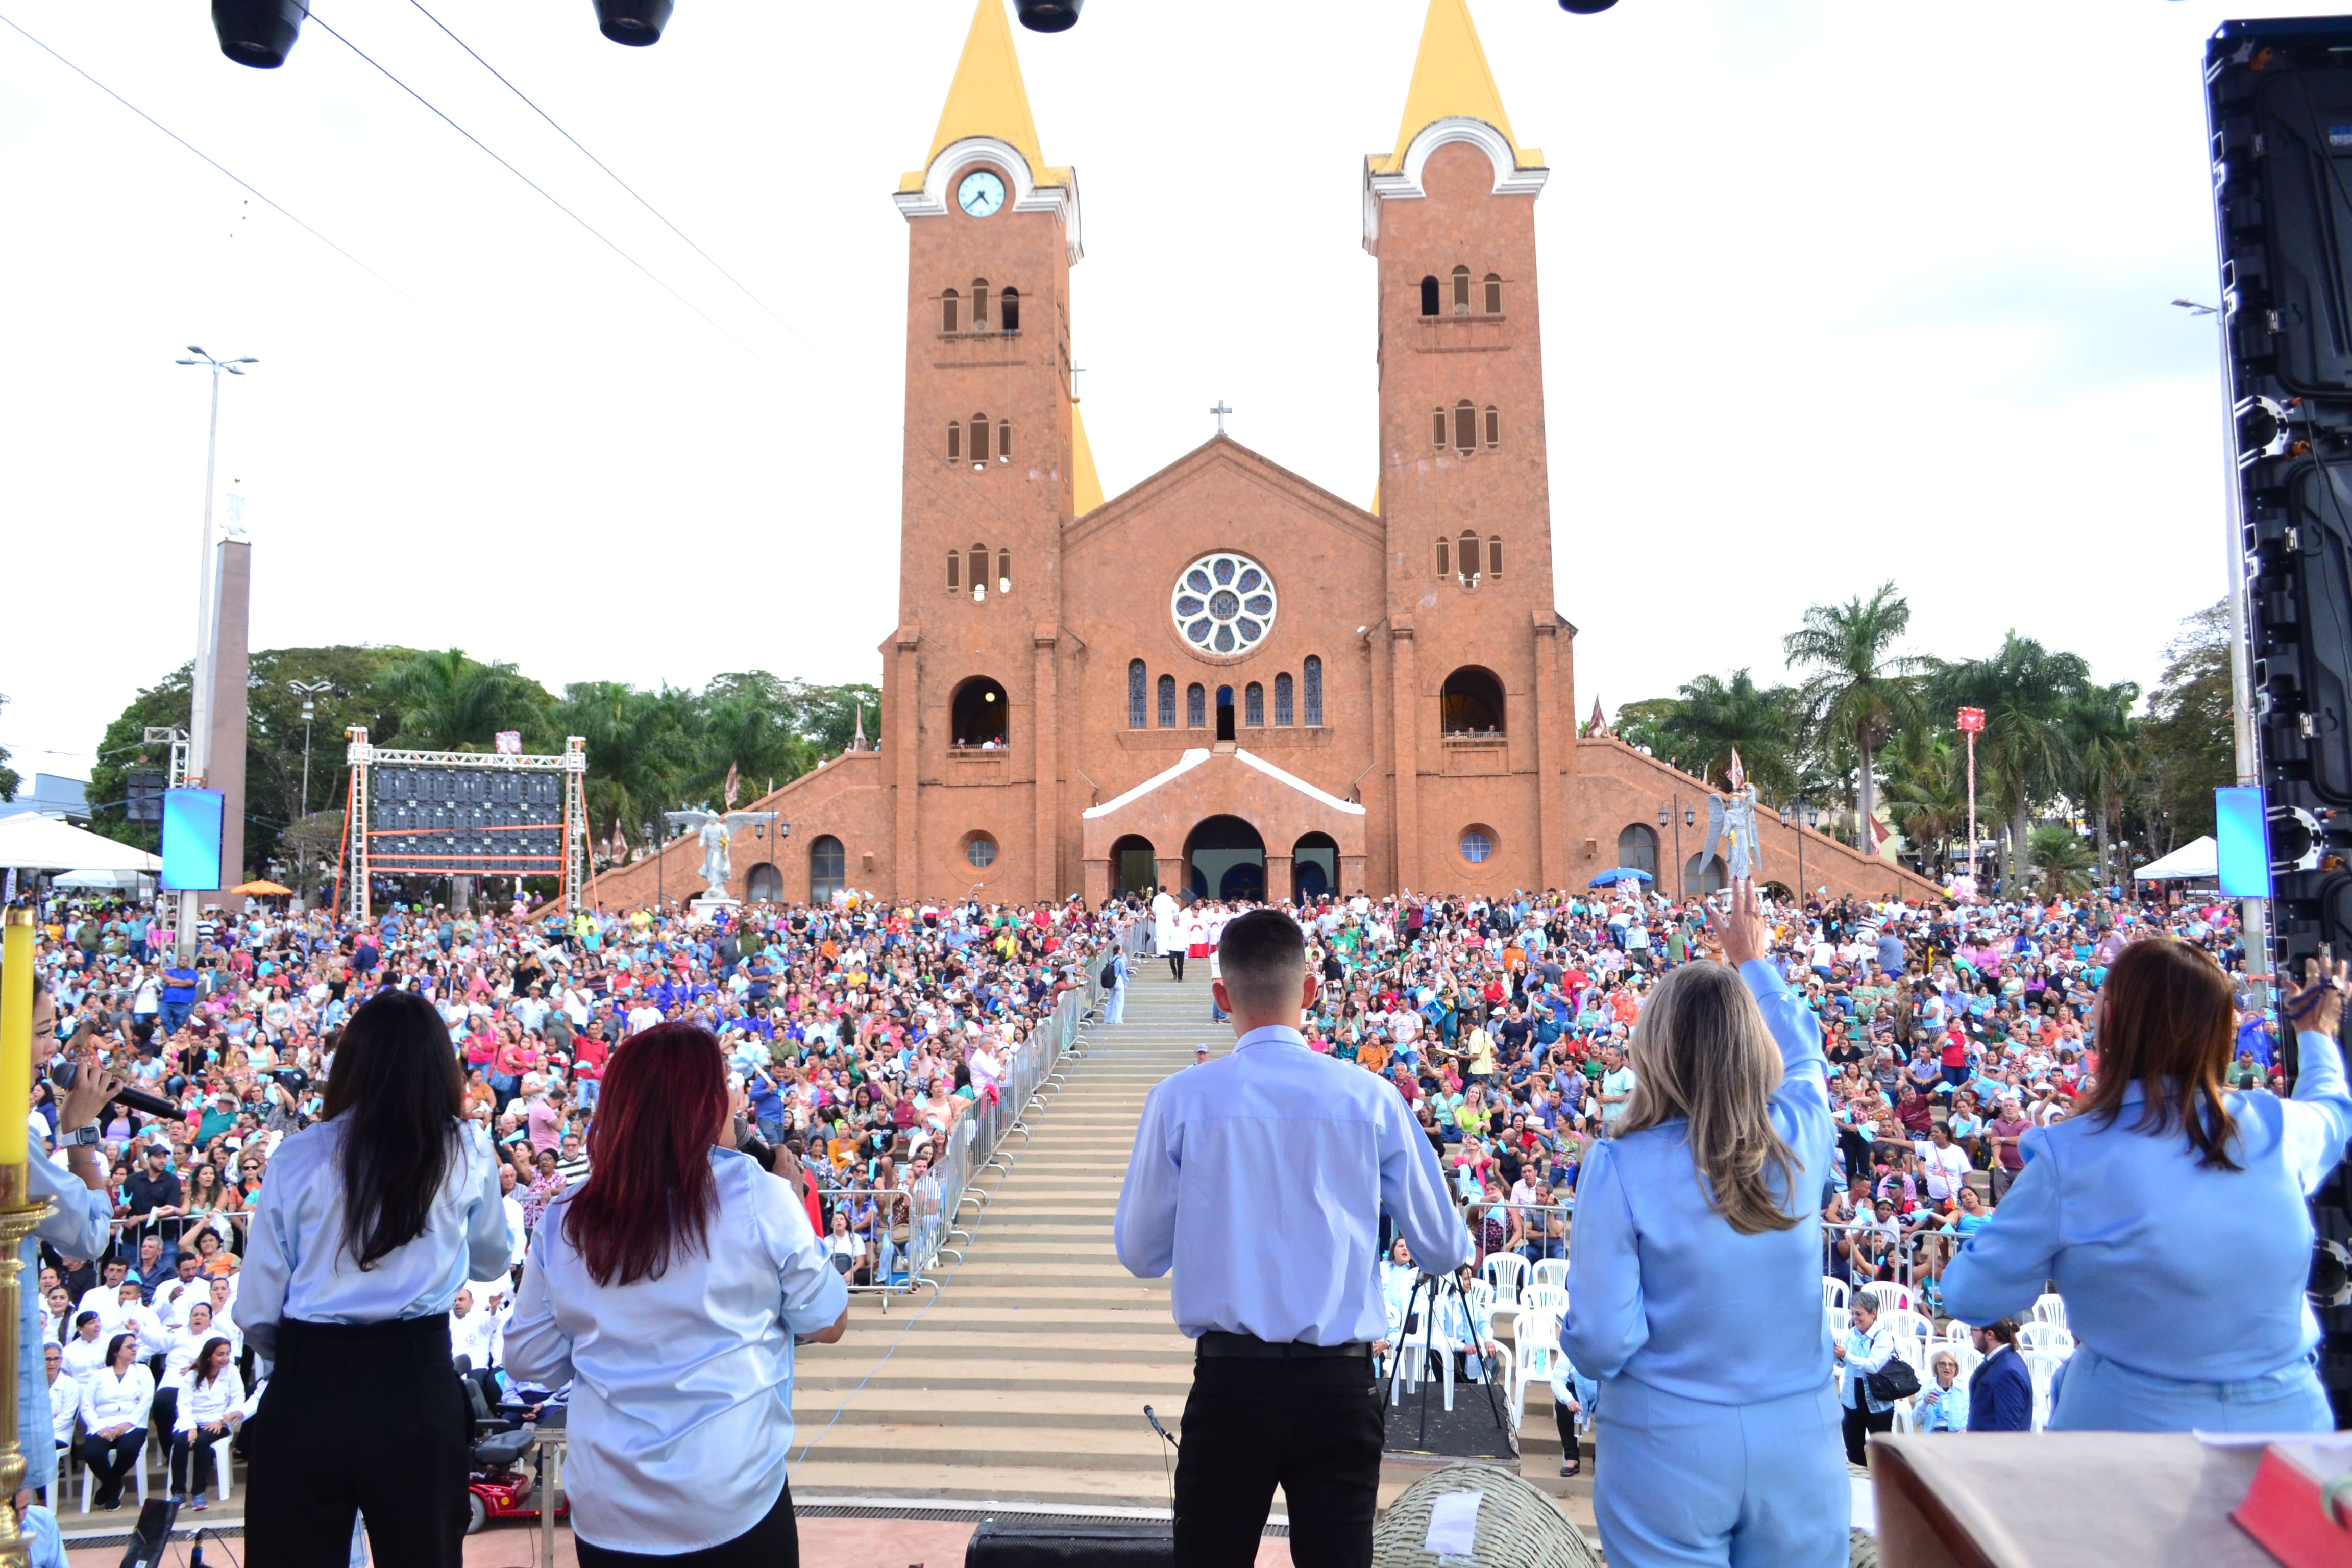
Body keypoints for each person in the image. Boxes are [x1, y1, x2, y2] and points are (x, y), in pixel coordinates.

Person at [1114, 909, 1471, 1568]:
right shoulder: (1370, 1098)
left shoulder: (1180, 1100)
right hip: (1338, 1385)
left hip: (1230, 1382)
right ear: (1309, 990)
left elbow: (1141, 1253)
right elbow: (1444, 1249)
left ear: (1221, 996)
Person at [1943, 944, 2352, 1432]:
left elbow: (1970, 1296)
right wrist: (2317, 1035)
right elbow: (2333, 1111)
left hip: (2130, 1438)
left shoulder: (2066, 1157)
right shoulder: (2276, 1126)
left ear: (2112, 1022)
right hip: (2289, 1429)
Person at [1562, 878, 1844, 1568]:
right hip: (1800, 1441)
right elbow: (1806, 1052)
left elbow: (1601, 1340)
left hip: (1665, 1443)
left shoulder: (1618, 1166)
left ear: (1654, 1049)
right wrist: (1753, 962)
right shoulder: (1805, 1131)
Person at [506, 1021, 848, 1564]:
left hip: (608, 1507)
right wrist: (794, 1201)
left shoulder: (564, 1216)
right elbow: (827, 1321)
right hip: (732, 1499)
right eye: (725, 1085)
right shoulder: (758, 1194)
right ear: (703, 1104)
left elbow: (531, 1360)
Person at [234, 989, 512, 1567]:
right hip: (415, 1380)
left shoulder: (298, 1155)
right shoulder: (467, 1149)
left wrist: (308, 1362)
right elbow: (491, 1261)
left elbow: (258, 1311)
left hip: (310, 1382)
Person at [1, 978, 124, 1504]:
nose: (52, 1048)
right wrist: (78, 1133)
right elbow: (90, 1234)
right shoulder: (10, 1139)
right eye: (42, 1032)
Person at [79, 1332, 153, 1510]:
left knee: (128, 1449)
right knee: (93, 1454)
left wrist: (128, 1424)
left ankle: (108, 1488)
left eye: (135, 1346)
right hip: (102, 1423)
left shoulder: (142, 1371)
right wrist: (99, 1427)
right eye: (129, 1347)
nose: (134, 1350)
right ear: (116, 1351)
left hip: (132, 1424)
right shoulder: (99, 1375)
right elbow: (86, 1405)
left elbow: (147, 1400)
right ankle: (114, 1486)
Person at [170, 1337, 243, 1509]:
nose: (225, 1358)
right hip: (191, 1420)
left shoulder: (232, 1372)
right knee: (181, 1443)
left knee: (203, 1442)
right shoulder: (192, 1374)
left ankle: (198, 1492)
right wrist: (191, 1428)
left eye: (227, 1354)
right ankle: (179, 1492)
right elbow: (183, 1404)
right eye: (220, 1354)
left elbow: (238, 1399)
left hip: (218, 1421)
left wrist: (221, 1420)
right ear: (210, 1356)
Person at [1834, 1296, 1897, 1465]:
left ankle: (1884, 1480)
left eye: (1859, 1314)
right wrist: (1836, 1355)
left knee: (1882, 1450)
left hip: (1877, 1397)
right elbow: (1842, 1364)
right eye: (1853, 1313)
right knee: (1853, 1447)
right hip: (1851, 1396)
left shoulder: (1883, 1337)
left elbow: (1873, 1365)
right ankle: (1861, 1478)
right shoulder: (1851, 1334)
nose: (1855, 1318)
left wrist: (1846, 1356)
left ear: (1873, 1314)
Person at [1964, 1319, 2031, 1431]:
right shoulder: (2001, 1361)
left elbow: (2009, 1431)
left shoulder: (2008, 1372)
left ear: (1990, 1335)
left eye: (1973, 1330)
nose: (1970, 1334)